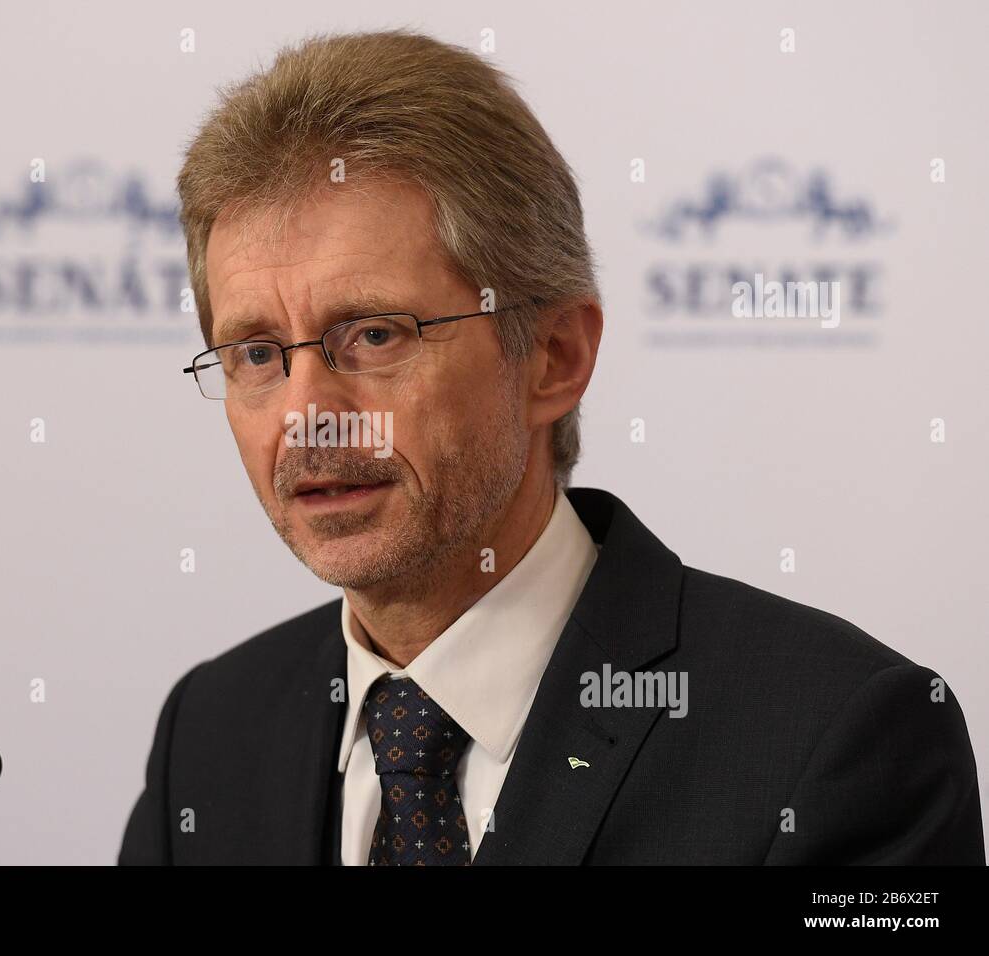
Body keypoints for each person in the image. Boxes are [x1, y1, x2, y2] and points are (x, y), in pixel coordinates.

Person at [118, 29, 983, 865]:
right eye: (258, 355)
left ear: (555, 357)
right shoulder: (211, 734)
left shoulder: (831, 739)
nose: (307, 416)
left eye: (374, 335)